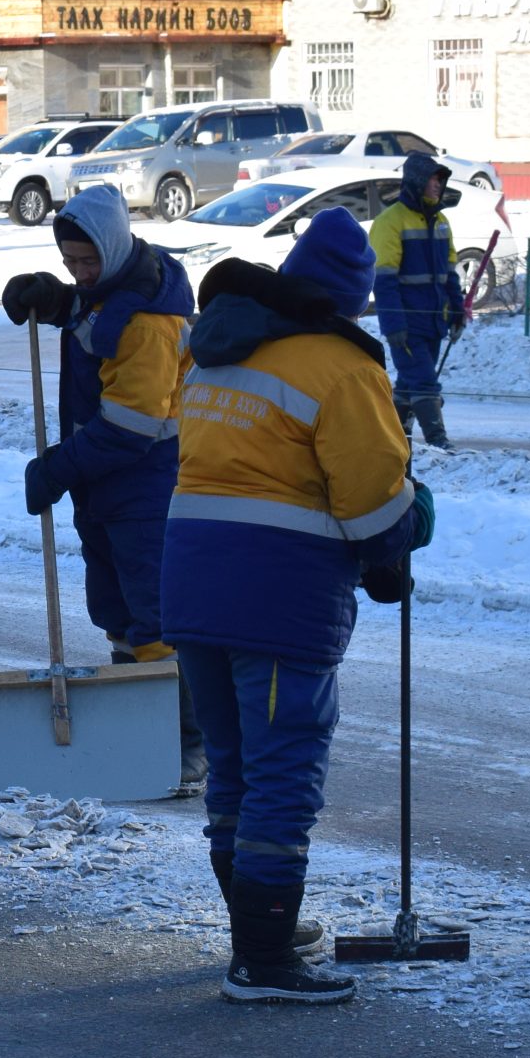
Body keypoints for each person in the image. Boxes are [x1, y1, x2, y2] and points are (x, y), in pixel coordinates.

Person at [165, 213, 429, 1004]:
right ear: (355, 298)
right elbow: (376, 502)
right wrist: (405, 534)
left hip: (192, 584)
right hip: (277, 595)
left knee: (234, 769)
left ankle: (257, 934)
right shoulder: (342, 368)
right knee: (283, 775)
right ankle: (265, 962)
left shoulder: (218, 346)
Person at [2, 182, 201, 786]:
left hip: (146, 486)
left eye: (89, 262)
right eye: (70, 263)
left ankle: (186, 744)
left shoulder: (149, 316)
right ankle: (137, 729)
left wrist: (58, 469)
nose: (82, 273)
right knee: (114, 611)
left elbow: (130, 428)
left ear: (115, 248)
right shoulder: (112, 291)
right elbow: (94, 320)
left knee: (155, 620)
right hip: (105, 488)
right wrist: (57, 299)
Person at [368, 152, 466, 449]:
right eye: (432, 179)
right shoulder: (390, 222)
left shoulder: (442, 222)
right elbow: (383, 280)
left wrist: (457, 311)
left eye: (440, 179)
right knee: (424, 382)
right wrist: (393, 323)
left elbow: (450, 273)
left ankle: (394, 438)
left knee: (410, 385)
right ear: (416, 182)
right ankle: (439, 443)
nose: (438, 185)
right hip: (407, 324)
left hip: (434, 320)